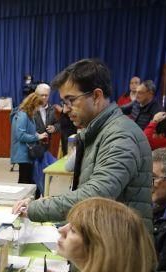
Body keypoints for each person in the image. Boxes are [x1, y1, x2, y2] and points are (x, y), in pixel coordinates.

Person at [13, 58, 153, 231]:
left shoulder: (120, 136)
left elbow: (94, 195)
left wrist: (36, 208)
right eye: (64, 102)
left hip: (120, 249)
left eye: (71, 100)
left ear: (96, 96)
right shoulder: (100, 130)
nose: (66, 109)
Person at [11, 92, 47, 184]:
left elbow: (29, 131)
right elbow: (21, 135)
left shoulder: (29, 115)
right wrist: (37, 136)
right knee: (24, 181)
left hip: (27, 153)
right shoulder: (22, 115)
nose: (38, 109)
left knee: (28, 180)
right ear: (33, 104)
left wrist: (39, 134)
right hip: (22, 153)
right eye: (38, 106)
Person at [33, 83, 60, 155]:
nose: (44, 97)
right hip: (32, 146)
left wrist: (54, 128)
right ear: (36, 95)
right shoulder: (30, 109)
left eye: (46, 95)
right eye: (42, 95)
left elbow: (58, 124)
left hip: (46, 146)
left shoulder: (52, 109)